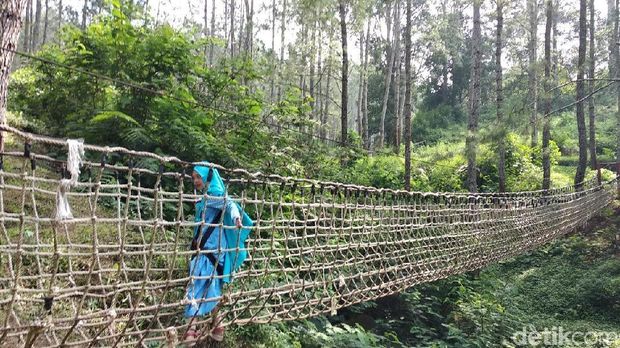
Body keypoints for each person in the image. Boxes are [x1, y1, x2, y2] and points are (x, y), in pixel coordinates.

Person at [183, 163, 252, 343]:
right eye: (193, 177)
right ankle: (218, 326)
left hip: (208, 251)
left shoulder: (213, 196)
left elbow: (229, 204)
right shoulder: (207, 197)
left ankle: (191, 330)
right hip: (211, 251)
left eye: (199, 176)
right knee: (211, 287)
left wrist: (236, 216)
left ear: (207, 177)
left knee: (195, 284)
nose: (195, 181)